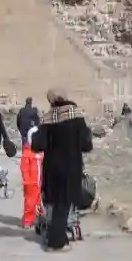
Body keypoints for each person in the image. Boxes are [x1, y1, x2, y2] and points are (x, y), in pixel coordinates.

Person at [30, 88, 93, 252]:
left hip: (51, 169)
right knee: (63, 204)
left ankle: (56, 234)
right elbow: (87, 145)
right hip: (71, 168)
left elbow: (37, 145)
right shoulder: (76, 114)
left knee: (55, 203)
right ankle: (56, 243)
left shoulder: (48, 118)